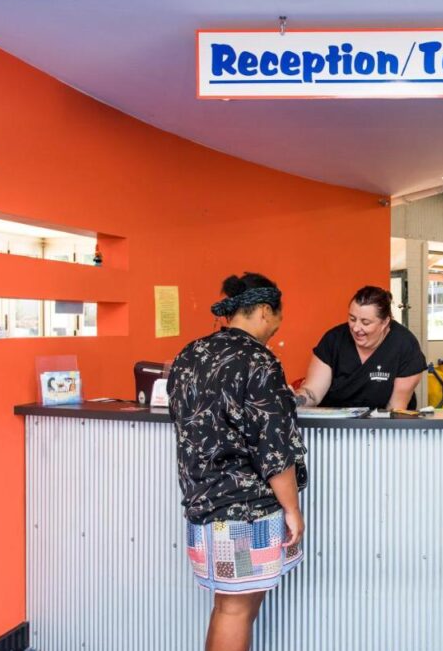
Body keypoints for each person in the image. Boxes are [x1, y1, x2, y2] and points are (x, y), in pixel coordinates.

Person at [168, 272, 307, 651]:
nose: (278, 325)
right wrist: (292, 509)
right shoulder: (259, 361)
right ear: (264, 310)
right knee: (237, 610)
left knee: (228, 607)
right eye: (278, 315)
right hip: (246, 513)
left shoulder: (189, 355)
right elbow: (275, 449)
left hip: (201, 505)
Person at [295, 286, 426, 410]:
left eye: (365, 322)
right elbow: (313, 392)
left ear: (385, 322)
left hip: (383, 427)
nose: (356, 328)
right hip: (334, 426)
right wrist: (295, 400)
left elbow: (395, 408)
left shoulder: (405, 345)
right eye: (352, 319)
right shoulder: (333, 340)